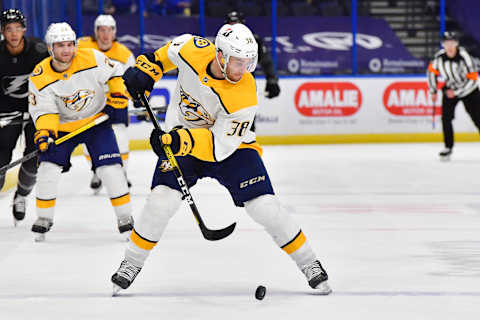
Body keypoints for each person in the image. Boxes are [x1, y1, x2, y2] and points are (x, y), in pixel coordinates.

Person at [110, 23, 331, 294]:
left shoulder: (245, 95)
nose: (245, 70)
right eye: (239, 62)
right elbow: (162, 57)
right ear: (220, 55)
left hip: (230, 148)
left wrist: (179, 141)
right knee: (160, 202)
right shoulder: (191, 48)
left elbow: (218, 147)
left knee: (265, 207)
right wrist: (147, 72)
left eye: (250, 63)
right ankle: (131, 262)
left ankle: (309, 262)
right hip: (181, 141)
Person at [28, 22, 133, 241]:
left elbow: (114, 73)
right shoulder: (39, 76)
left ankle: (125, 217)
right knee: (47, 169)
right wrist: (46, 132)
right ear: (50, 48)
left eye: (69, 44)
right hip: (63, 127)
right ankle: (44, 218)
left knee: (111, 169)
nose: (66, 50)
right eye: (60, 46)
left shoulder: (92, 57)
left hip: (96, 121)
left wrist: (117, 95)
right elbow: (44, 110)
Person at [0, 9, 49, 225]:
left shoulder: (39, 51)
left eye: (18, 28)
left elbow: (51, 82)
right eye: (9, 29)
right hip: (6, 113)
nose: (13, 33)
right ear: (2, 31)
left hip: (35, 112)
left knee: (33, 159)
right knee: (1, 158)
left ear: (24, 30)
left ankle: (21, 197)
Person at [78, 14, 135, 193]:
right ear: (96, 32)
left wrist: (136, 99)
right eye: (101, 30)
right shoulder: (82, 47)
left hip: (116, 102)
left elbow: (132, 82)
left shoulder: (125, 54)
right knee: (89, 142)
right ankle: (96, 171)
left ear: (114, 32)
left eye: (109, 30)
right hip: (91, 103)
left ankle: (122, 173)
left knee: (122, 141)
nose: (105, 34)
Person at [427, 31, 480, 161]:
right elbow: (431, 72)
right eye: (447, 43)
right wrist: (433, 90)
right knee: (446, 118)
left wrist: (456, 93)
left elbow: (473, 79)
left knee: (478, 118)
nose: (450, 46)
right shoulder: (438, 58)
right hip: (450, 89)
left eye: (453, 43)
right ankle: (448, 147)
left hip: (469, 91)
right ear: (443, 44)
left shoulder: (464, 56)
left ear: (457, 44)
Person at [225, 11, 280, 100]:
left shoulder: (254, 41)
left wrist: (272, 81)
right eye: (231, 24)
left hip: (247, 87)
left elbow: (267, 62)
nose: (234, 27)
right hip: (223, 88)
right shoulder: (219, 42)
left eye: (237, 24)